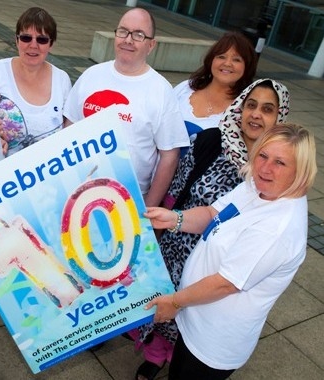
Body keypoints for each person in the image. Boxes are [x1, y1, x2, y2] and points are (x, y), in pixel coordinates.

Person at [132, 78, 290, 380]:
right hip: (181, 240)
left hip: (222, 261)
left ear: (279, 117)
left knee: (192, 312)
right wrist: (166, 222)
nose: (256, 114)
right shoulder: (211, 140)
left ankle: (177, 355)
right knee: (164, 303)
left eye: (267, 109)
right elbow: (179, 185)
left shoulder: (274, 166)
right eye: (251, 105)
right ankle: (156, 355)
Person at [143, 123, 317, 379]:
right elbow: (214, 213)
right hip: (196, 317)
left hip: (213, 341)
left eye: (280, 163)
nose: (265, 168)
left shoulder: (277, 227)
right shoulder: (257, 186)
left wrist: (174, 302)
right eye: (263, 155)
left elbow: (226, 284)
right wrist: (174, 219)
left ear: (300, 172)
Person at [0, 6, 72, 311]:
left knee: (40, 238)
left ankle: (45, 293)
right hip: (1, 176)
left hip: (43, 177)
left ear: (51, 44)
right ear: (15, 39)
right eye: (26, 37)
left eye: (42, 39)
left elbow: (69, 130)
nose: (33, 45)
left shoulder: (63, 79)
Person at [63, 7, 189, 208]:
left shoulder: (161, 90)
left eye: (138, 35)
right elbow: (68, 130)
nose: (128, 40)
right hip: (77, 193)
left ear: (151, 45)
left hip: (128, 203)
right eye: (123, 31)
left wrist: (148, 209)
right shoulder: (91, 75)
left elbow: (169, 156)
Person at [170, 30, 256, 161]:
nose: (227, 63)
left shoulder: (245, 111)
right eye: (221, 56)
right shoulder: (185, 88)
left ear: (247, 67)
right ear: (211, 60)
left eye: (236, 59)